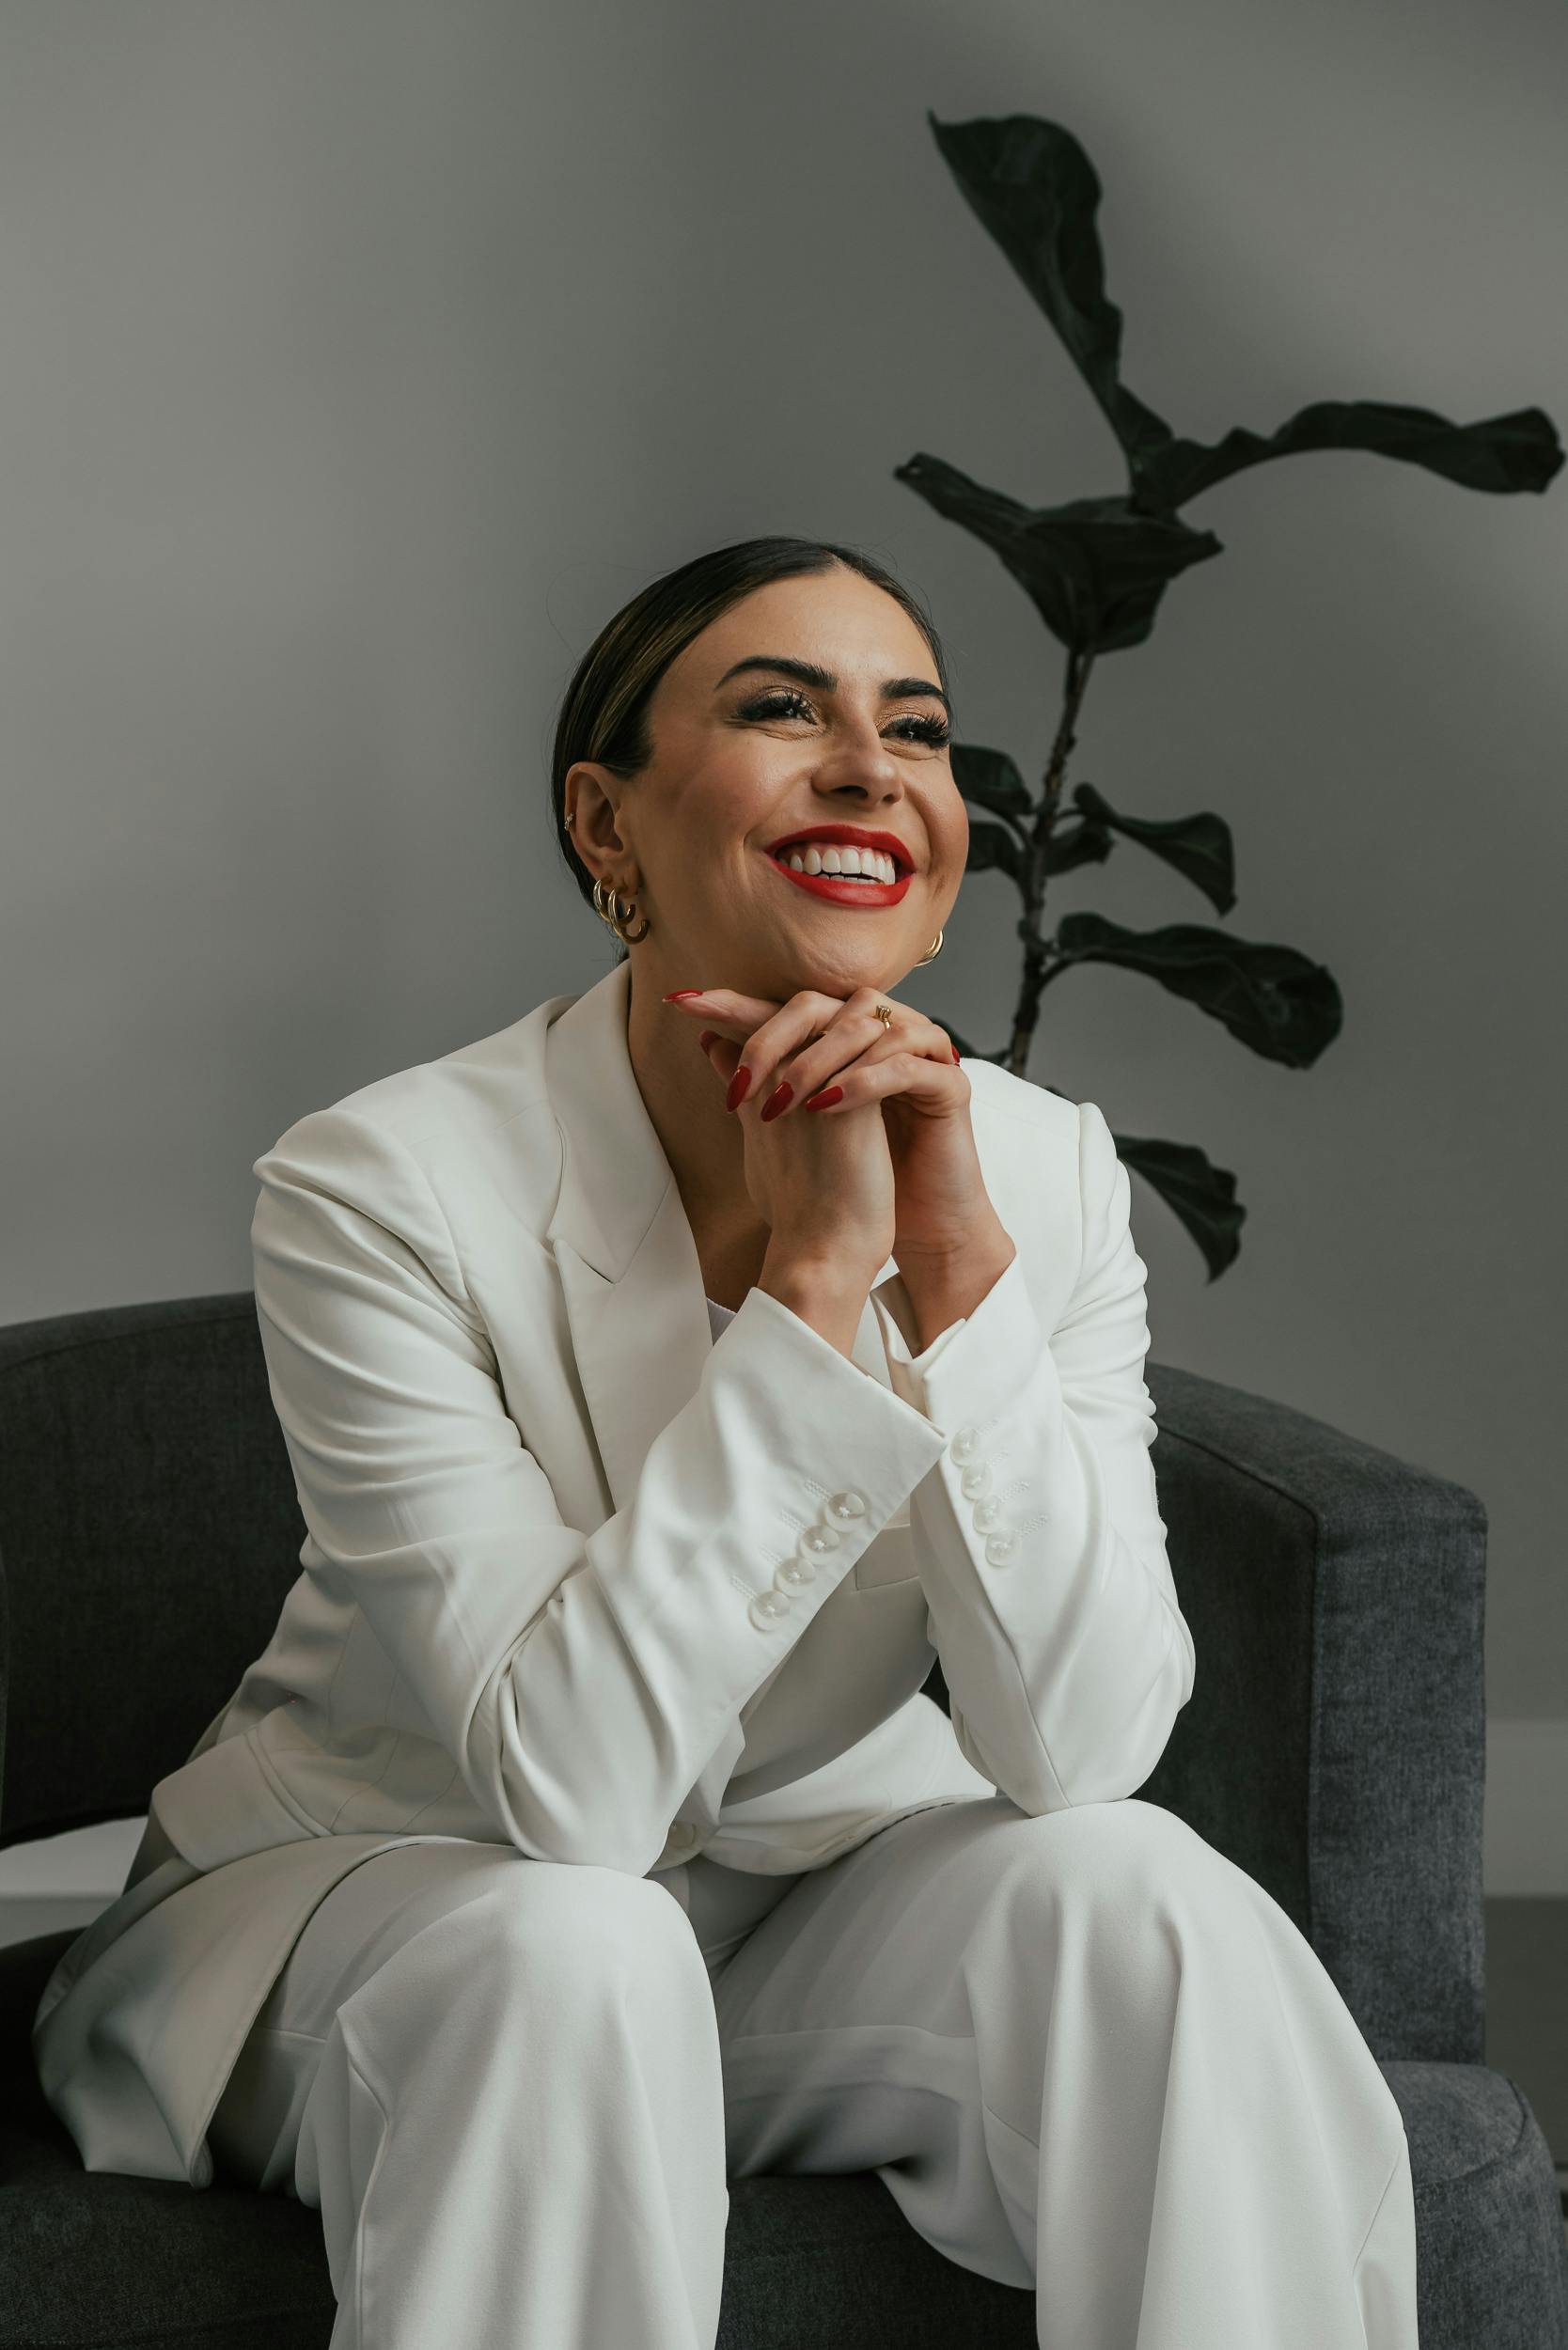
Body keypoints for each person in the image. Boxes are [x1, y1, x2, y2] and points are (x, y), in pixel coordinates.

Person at [32, 536, 1419, 2349]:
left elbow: (1079, 1750)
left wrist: (961, 1278)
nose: (870, 766)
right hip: (391, 1906)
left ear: (937, 862)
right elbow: (576, 1799)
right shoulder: (385, 1183)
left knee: (1149, 1901)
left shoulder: (1047, 1169)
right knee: (575, 1945)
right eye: (782, 709)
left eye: (914, 730)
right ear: (606, 826)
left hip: (810, 1902)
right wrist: (823, 1287)